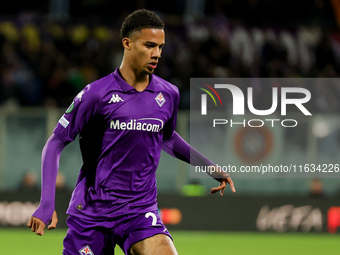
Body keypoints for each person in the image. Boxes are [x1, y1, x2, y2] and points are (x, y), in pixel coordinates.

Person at [28, 9, 236, 255]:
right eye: (149, 45)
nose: (157, 53)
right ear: (127, 43)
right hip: (93, 211)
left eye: (160, 47)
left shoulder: (168, 94)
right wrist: (46, 203)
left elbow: (167, 138)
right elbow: (56, 142)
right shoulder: (97, 94)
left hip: (140, 210)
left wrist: (210, 167)